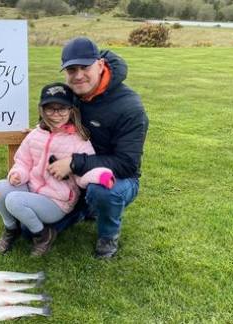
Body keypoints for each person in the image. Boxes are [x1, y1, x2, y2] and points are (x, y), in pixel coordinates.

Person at [47, 37, 149, 258]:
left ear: (100, 65)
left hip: (118, 177)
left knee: (103, 191)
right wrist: (39, 131)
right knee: (30, 232)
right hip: (77, 172)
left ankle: (107, 236)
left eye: (85, 67)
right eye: (71, 69)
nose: (78, 75)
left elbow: (127, 163)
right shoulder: (72, 95)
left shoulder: (130, 107)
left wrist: (74, 163)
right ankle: (84, 209)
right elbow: (55, 120)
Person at [0, 82, 115, 257]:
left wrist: (102, 176)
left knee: (14, 200)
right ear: (42, 110)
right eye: (50, 109)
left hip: (56, 202)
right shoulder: (35, 135)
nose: (56, 114)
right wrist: (18, 173)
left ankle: (43, 235)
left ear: (71, 110)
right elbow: (23, 161)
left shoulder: (79, 140)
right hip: (32, 190)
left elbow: (86, 170)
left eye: (62, 109)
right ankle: (11, 229)